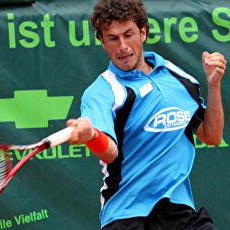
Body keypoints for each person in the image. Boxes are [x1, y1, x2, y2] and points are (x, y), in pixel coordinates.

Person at [66, 0, 227, 229]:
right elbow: (110, 152)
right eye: (112, 38)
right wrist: (92, 135)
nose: (122, 45)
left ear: (143, 33)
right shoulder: (101, 92)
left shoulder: (178, 77)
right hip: (127, 214)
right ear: (102, 42)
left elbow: (211, 136)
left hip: (179, 210)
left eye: (128, 34)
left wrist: (214, 84)